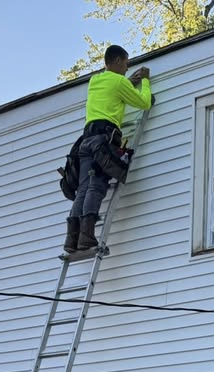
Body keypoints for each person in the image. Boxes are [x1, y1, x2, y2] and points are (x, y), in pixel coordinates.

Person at [65, 44, 153, 255]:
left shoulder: (95, 81)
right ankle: (86, 237)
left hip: (86, 141)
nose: (127, 67)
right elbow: (144, 103)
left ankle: (71, 239)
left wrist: (129, 82)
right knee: (96, 186)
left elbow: (113, 90)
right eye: (126, 63)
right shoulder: (119, 82)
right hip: (103, 141)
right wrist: (145, 81)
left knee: (83, 189)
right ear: (117, 61)